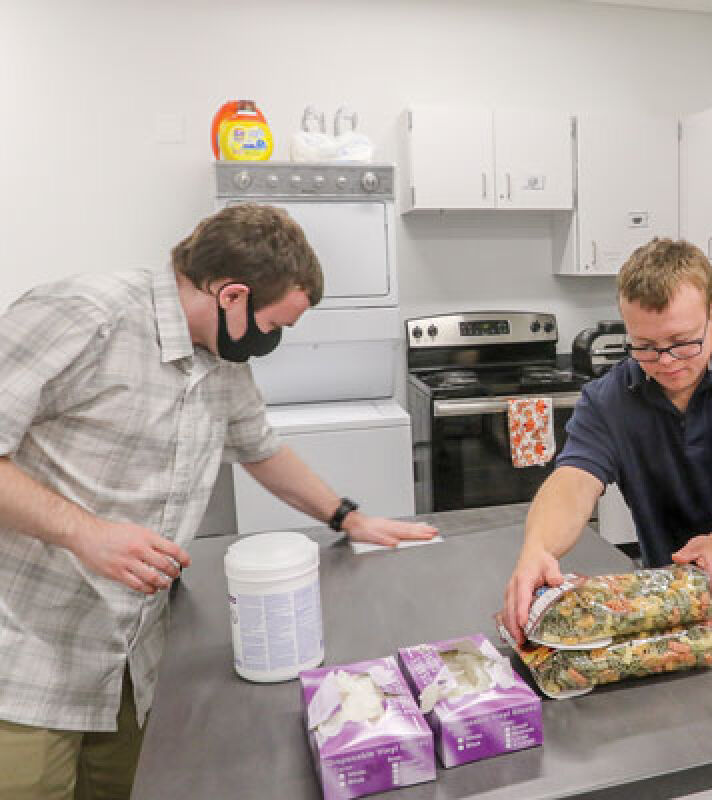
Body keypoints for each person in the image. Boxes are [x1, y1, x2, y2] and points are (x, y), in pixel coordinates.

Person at [0, 203, 436, 799]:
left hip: (130, 660)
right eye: (276, 324)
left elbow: (261, 451)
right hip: (27, 656)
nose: (275, 341)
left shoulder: (221, 361)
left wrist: (349, 516)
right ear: (232, 296)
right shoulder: (85, 316)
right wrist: (86, 533)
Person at [502, 237, 712, 715]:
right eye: (644, 346)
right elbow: (574, 480)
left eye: (683, 343)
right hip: (676, 615)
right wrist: (538, 549)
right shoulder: (609, 399)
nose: (666, 363)